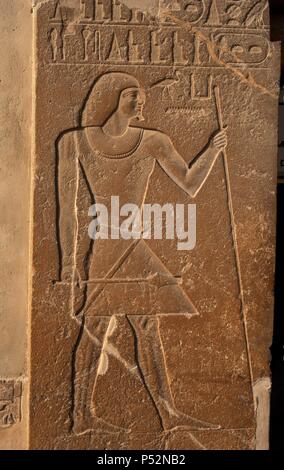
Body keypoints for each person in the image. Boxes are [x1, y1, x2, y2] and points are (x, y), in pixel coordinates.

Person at [57, 72, 227, 434]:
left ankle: (168, 417)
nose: (139, 102)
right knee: (95, 329)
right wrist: (69, 263)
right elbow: (66, 209)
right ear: (111, 97)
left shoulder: (154, 141)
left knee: (147, 328)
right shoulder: (74, 142)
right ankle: (81, 416)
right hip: (105, 245)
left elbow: (191, 185)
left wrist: (212, 150)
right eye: (131, 94)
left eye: (141, 97)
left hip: (134, 244)